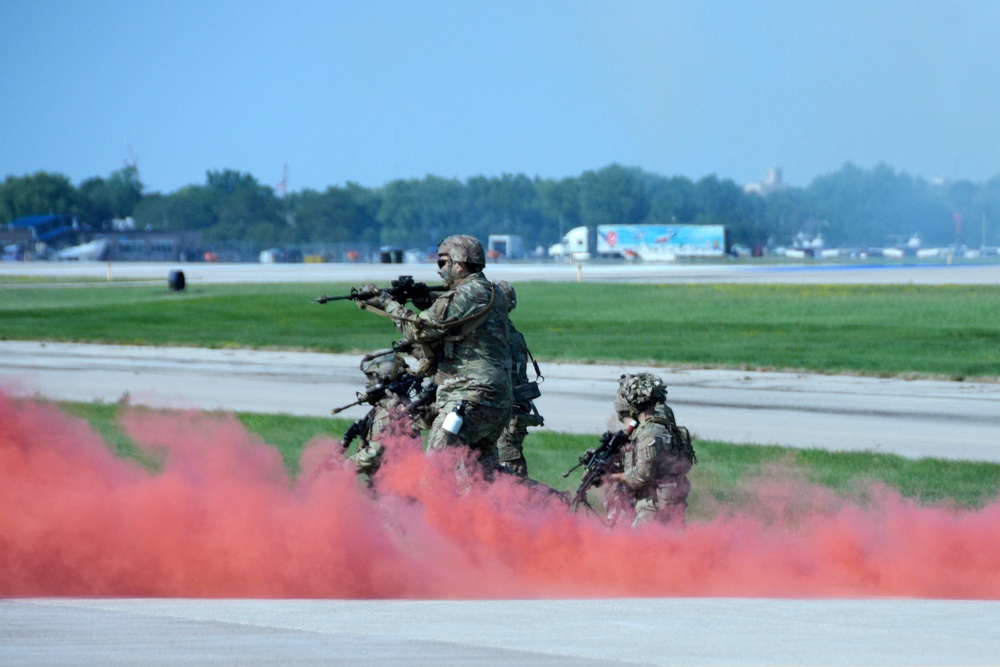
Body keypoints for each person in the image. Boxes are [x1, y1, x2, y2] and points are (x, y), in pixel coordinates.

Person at [359, 234, 512, 478]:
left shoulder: (466, 293)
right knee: (481, 477)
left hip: (470, 395)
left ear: (459, 264)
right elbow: (455, 315)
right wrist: (426, 300)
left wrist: (385, 303)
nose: (438, 269)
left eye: (442, 262)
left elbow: (418, 330)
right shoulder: (489, 291)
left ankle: (431, 516)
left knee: (435, 471)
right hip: (493, 396)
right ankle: (542, 507)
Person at [606, 372, 696, 528]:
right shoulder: (653, 426)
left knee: (638, 547)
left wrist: (613, 477)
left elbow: (641, 475)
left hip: (655, 504)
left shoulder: (650, 433)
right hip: (664, 500)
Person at [345, 352, 430, 482]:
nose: (367, 383)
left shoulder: (392, 411)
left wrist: (344, 466)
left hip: (395, 486)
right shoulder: (396, 405)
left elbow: (375, 452)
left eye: (370, 377)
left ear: (381, 378)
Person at [493, 280, 544, 477]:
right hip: (515, 410)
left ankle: (552, 501)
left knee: (509, 474)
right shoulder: (513, 333)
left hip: (505, 411)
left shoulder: (496, 335)